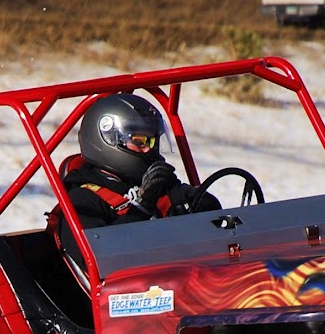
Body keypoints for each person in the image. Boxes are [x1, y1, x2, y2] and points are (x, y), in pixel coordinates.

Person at [49, 93, 219, 276]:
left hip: (181, 284)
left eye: (153, 140)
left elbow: (209, 208)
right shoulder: (82, 201)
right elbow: (103, 260)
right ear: (107, 140)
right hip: (126, 298)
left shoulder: (155, 183)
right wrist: (142, 207)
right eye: (139, 141)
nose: (148, 149)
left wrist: (185, 210)